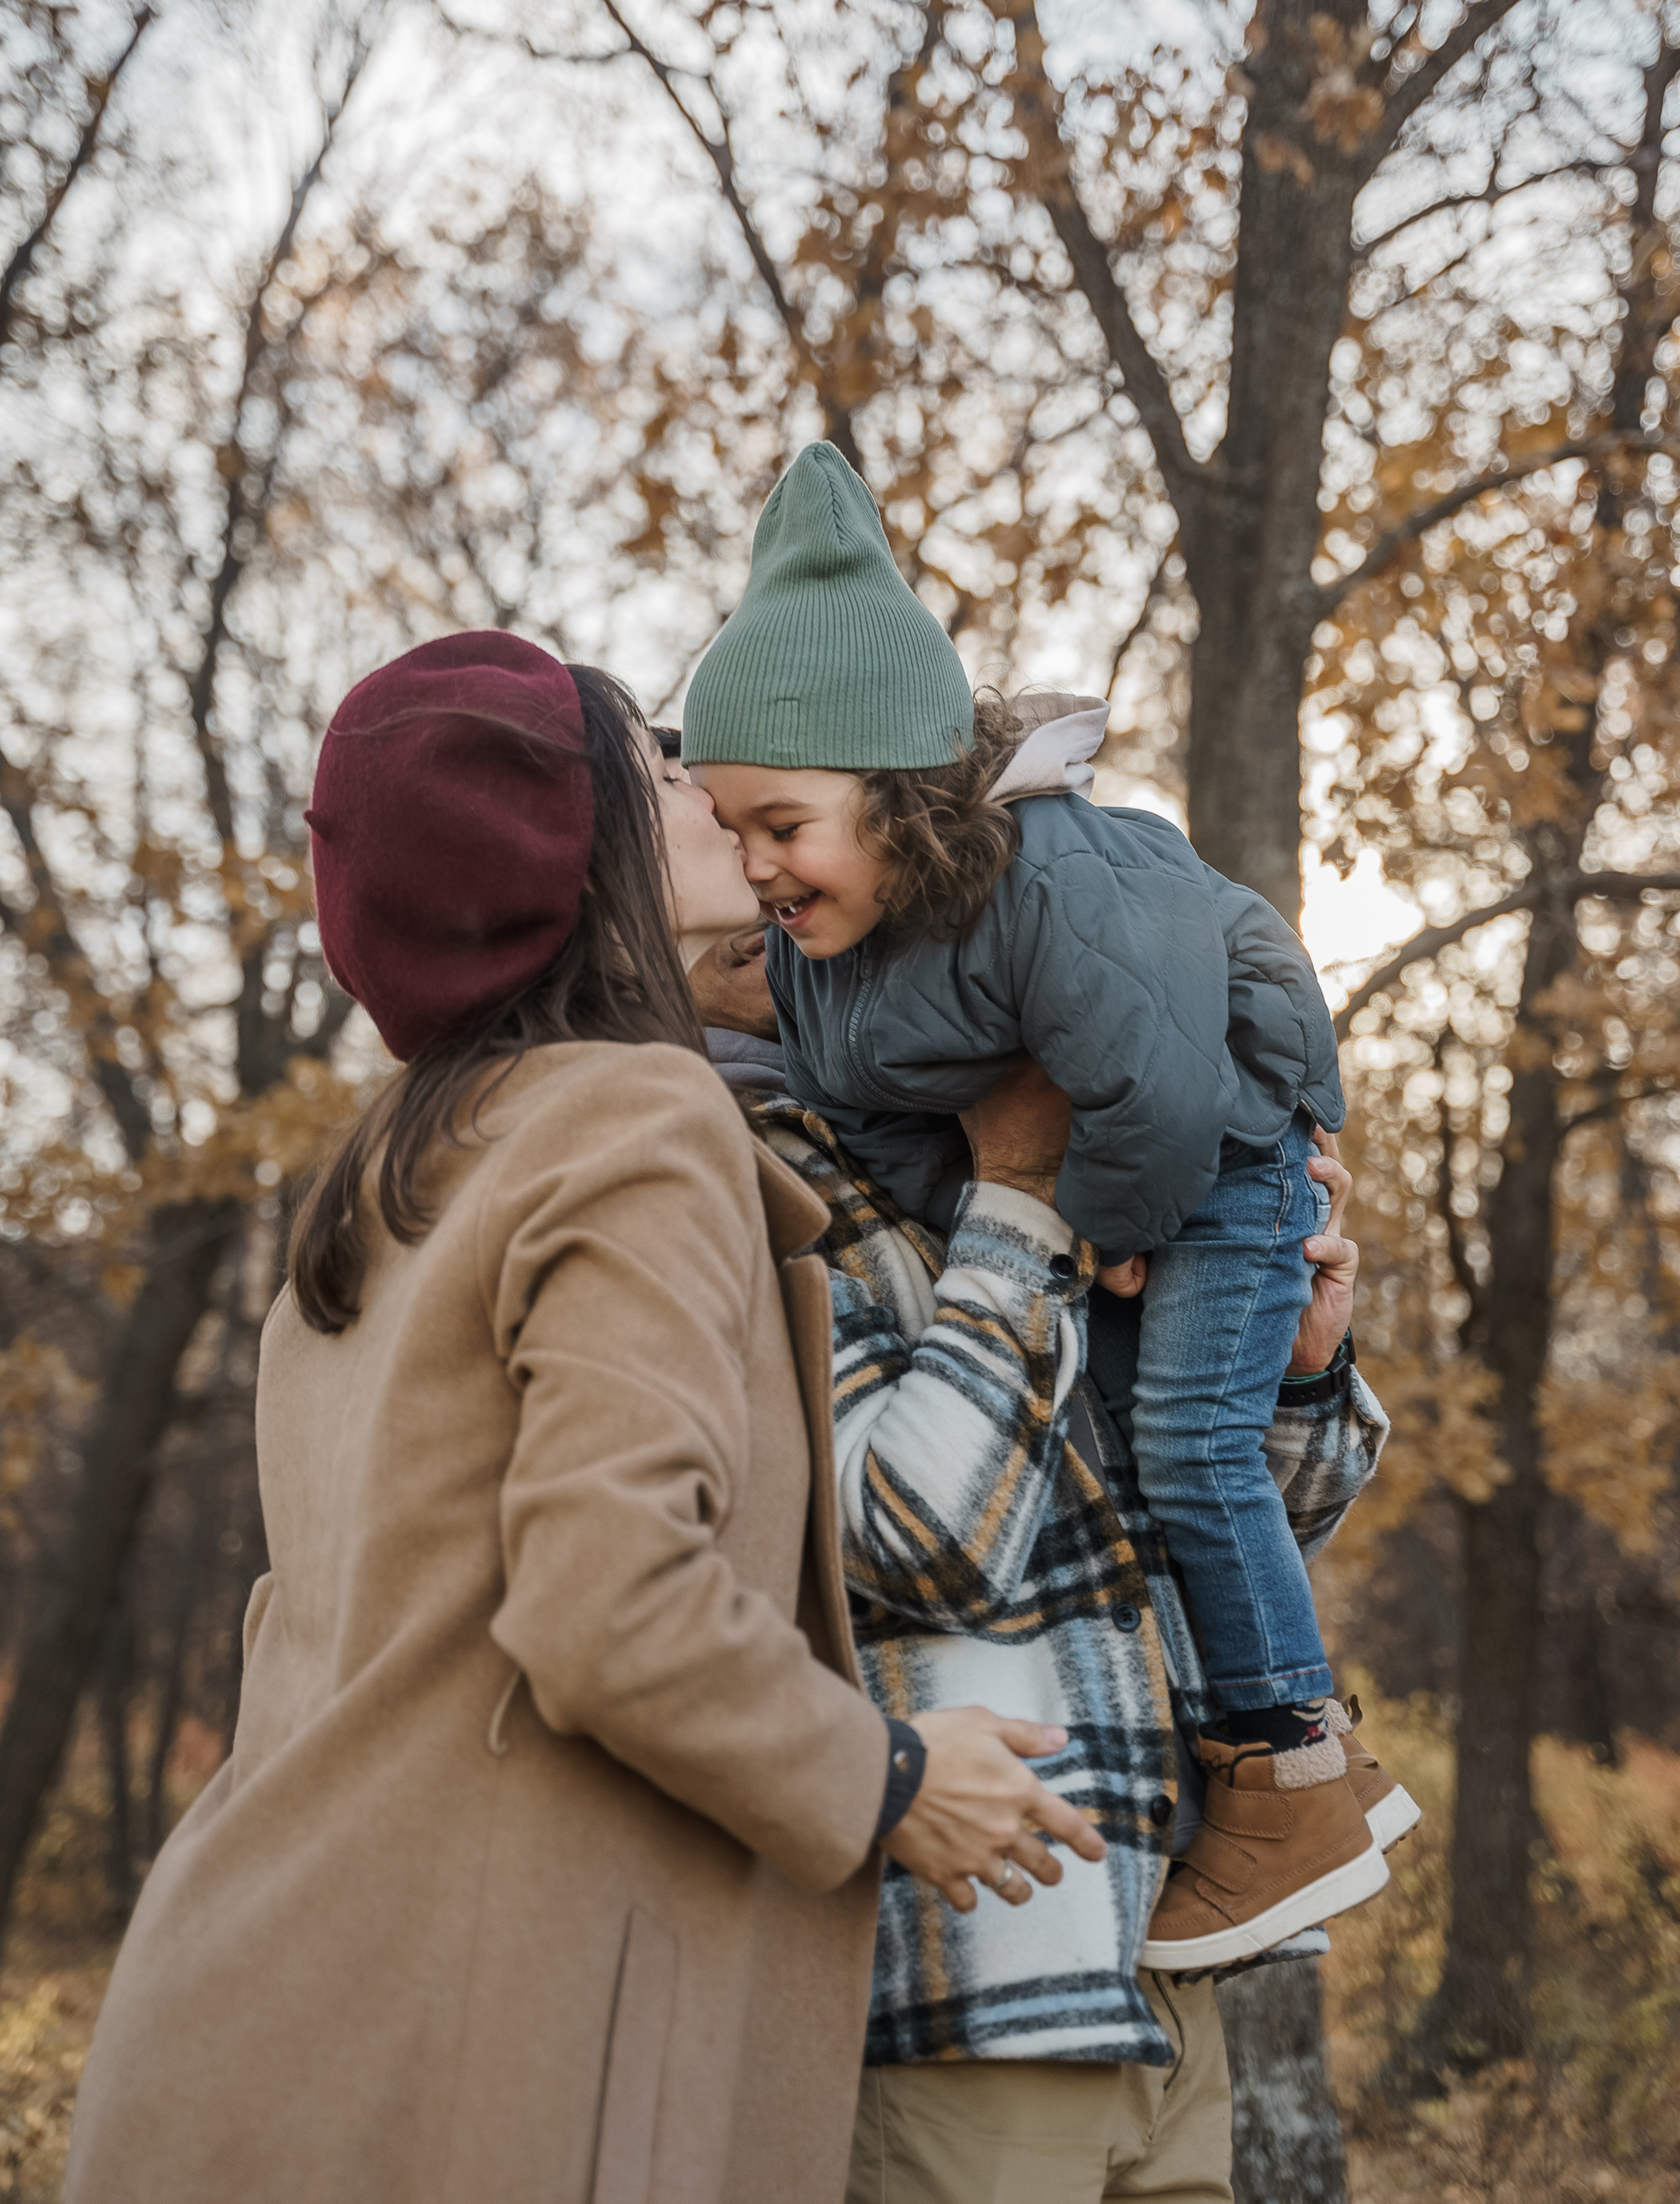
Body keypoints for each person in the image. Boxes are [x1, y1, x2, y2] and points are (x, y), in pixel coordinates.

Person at [62, 631, 1106, 2204]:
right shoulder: (632, 1116)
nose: (710, 783)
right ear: (592, 843)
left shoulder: (389, 1178)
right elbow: (608, 1598)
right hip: (485, 2062)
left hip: (258, 2024)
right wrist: (888, 1778)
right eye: (665, 761)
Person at [683, 442, 1416, 1969]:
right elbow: (894, 1146)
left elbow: (1150, 1093)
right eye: (723, 827)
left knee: (1193, 1440)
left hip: (1205, 1167)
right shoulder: (774, 1071)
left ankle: (1288, 1768)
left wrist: (1153, 1258)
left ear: (893, 798)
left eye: (777, 828)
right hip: (1015, 1947)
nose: (753, 871)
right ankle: (1290, 1772)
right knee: (1177, 1442)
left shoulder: (1053, 888)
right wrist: (1012, 1207)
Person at [681, 905, 1395, 2204]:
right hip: (977, 1972)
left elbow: (1232, 1539)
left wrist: (1287, 1371)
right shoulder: (736, 1173)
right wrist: (1012, 1197)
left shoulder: (986, 1118)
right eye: (745, 843)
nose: (770, 896)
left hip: (1172, 1943)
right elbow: (916, 1540)